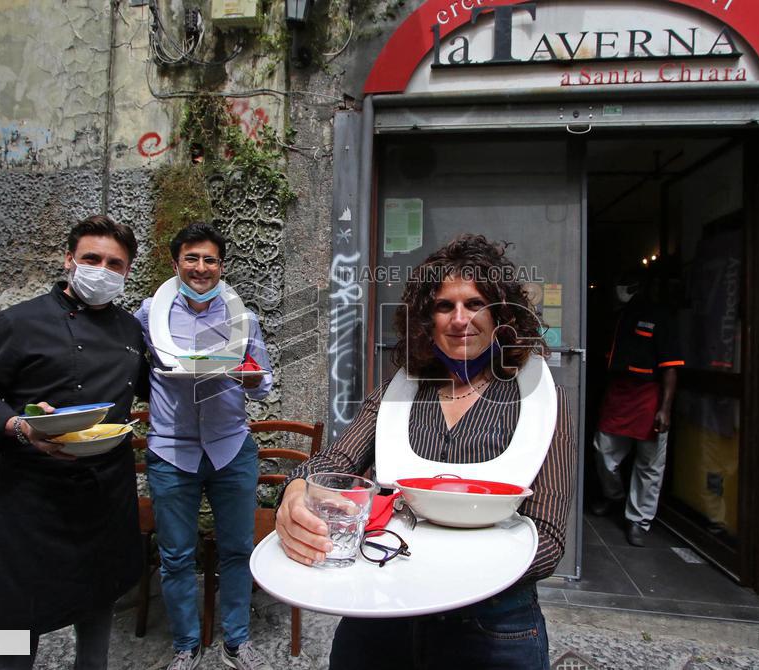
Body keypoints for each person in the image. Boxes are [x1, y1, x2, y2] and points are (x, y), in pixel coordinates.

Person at [276, 234, 576, 670]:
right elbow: (336, 463)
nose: (459, 319)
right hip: (385, 607)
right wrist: (297, 488)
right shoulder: (398, 394)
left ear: (501, 315)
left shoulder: (539, 401)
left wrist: (443, 572)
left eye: (475, 304)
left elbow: (548, 538)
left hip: (492, 623)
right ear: (426, 320)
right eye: (443, 306)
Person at [0, 215, 147, 670]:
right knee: (16, 626)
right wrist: (20, 427)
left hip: (103, 496)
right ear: (69, 261)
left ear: (127, 272)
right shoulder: (19, 323)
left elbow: (153, 389)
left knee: (98, 609)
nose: (103, 269)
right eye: (92, 258)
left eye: (115, 264)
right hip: (32, 501)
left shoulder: (130, 331)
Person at [135, 223, 273, 670]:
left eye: (210, 259)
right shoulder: (147, 313)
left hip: (231, 449)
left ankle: (235, 640)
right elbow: (138, 373)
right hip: (171, 452)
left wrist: (252, 379)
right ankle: (185, 644)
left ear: (221, 266)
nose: (201, 267)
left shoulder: (242, 317)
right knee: (175, 556)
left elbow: (263, 382)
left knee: (237, 548)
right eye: (192, 258)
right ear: (175, 264)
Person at [590, 267, 683, 547]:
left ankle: (638, 520)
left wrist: (665, 408)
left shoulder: (660, 317)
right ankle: (614, 496)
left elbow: (670, 369)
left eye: (625, 283)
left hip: (649, 394)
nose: (619, 289)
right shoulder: (616, 318)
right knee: (603, 450)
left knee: (650, 463)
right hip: (619, 393)